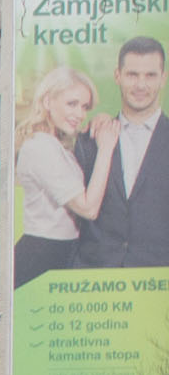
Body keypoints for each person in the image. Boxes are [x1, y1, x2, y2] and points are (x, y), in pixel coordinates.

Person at [15, 64, 120, 286]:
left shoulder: (57, 145)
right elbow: (88, 209)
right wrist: (106, 149)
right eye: (71, 104)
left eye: (84, 107)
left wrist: (100, 120)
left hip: (62, 252)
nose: (80, 114)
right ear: (47, 102)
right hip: (41, 257)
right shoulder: (40, 147)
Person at [80, 36, 169, 271]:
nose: (141, 85)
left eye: (150, 75)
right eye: (132, 75)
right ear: (117, 76)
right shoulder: (91, 139)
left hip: (159, 284)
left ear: (163, 78)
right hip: (97, 282)